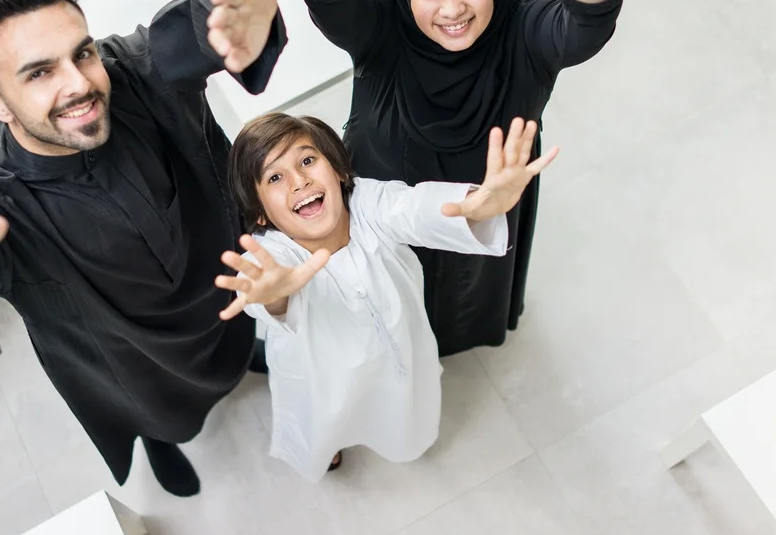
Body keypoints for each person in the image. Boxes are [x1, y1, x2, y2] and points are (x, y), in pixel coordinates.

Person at [0, 0, 288, 497]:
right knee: (159, 414)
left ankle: (237, 360)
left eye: (82, 54)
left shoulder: (131, 71)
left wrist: (234, 2)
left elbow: (196, 23)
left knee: (233, 341)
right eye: (39, 72)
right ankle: (161, 441)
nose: (79, 84)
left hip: (221, 293)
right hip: (130, 361)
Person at [255, 0, 664, 355]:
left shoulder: (523, 33)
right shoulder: (383, 28)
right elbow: (334, 2)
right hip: (385, 214)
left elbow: (585, 22)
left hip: (483, 209)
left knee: (461, 297)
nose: (452, 9)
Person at [217, 114, 556, 480]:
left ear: (340, 172)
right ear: (261, 214)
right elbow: (265, 281)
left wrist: (478, 206)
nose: (299, 181)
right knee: (325, 419)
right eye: (275, 177)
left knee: (398, 403)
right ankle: (328, 447)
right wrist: (273, 294)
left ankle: (400, 434)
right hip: (322, 375)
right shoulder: (275, 257)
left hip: (398, 350)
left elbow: (416, 208)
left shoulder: (370, 204)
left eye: (307, 160)